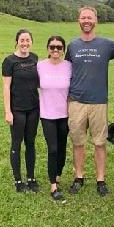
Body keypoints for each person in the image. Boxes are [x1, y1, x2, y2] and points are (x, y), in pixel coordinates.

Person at [66, 6, 114, 196]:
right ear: (78, 21)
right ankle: (78, 177)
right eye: (83, 17)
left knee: (99, 142)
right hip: (76, 101)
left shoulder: (108, 45)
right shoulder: (72, 46)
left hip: (99, 102)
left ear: (96, 21)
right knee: (78, 142)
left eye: (90, 17)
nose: (86, 20)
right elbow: (66, 71)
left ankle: (100, 180)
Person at [2, 29, 40, 193]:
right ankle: (18, 180)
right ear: (17, 41)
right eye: (22, 40)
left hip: (33, 108)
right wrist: (7, 111)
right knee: (17, 143)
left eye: (27, 40)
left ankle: (31, 178)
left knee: (30, 143)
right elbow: (6, 87)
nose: (25, 43)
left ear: (31, 42)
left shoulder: (35, 58)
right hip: (17, 109)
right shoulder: (9, 61)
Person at [38, 35, 72, 201]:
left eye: (59, 47)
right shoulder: (40, 66)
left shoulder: (69, 66)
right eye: (52, 47)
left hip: (65, 114)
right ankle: (53, 186)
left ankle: (57, 173)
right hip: (47, 115)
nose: (56, 50)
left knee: (62, 147)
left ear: (63, 49)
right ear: (48, 49)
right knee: (52, 148)